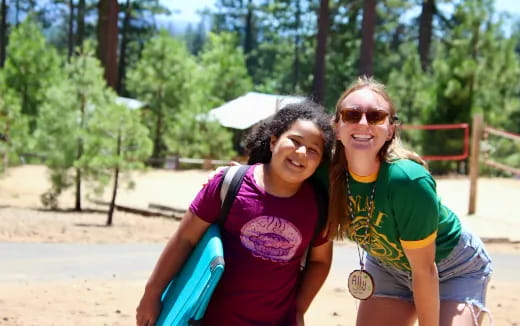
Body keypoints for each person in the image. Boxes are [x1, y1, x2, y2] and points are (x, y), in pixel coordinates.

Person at [136, 100, 335, 326]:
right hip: (210, 319)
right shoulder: (229, 184)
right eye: (295, 141)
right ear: (273, 141)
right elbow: (185, 239)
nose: (301, 152)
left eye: (313, 150)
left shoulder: (318, 205)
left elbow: (320, 261)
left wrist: (299, 309)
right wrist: (152, 293)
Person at [327, 76, 492, 326]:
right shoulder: (327, 175)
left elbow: (425, 271)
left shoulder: (407, 180)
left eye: (375, 116)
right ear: (336, 126)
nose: (363, 123)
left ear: (391, 129)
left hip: (449, 268)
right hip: (386, 267)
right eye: (351, 115)